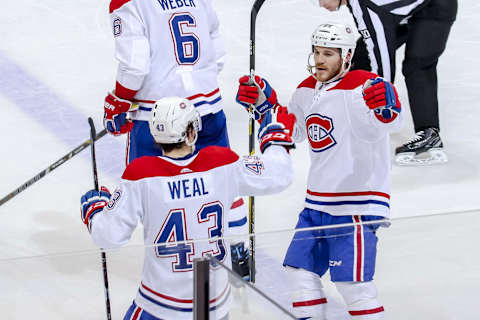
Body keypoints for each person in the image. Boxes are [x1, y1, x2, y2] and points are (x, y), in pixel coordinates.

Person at [236, 23, 402, 319]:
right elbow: (295, 131)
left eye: (328, 53)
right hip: (317, 204)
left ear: (347, 56)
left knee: (353, 287)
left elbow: (386, 125)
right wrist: (265, 104)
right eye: (316, 51)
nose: (319, 59)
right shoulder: (306, 89)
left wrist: (387, 109)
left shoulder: (363, 86)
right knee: (299, 274)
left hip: (356, 206)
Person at [80, 97, 296, 320]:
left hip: (160, 304)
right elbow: (279, 174)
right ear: (191, 133)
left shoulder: (141, 175)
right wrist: (275, 138)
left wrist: (95, 210)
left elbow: (108, 235)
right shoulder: (221, 164)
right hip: (213, 306)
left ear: (155, 134)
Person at [316, 0, 457, 165]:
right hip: (409, 12)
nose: (320, 3)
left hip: (435, 7)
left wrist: (379, 107)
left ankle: (429, 134)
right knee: (359, 56)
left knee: (418, 65)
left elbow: (381, 61)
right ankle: (344, 111)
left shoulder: (365, 5)